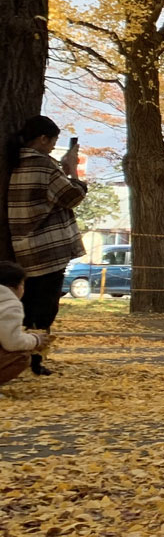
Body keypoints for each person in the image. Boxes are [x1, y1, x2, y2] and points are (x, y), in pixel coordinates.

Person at [7, 115, 86, 377]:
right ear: (42, 138)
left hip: (23, 246)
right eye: (53, 141)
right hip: (47, 248)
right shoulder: (43, 165)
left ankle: (21, 358)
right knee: (45, 308)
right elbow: (71, 195)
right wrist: (72, 169)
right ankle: (35, 360)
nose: (53, 146)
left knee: (26, 304)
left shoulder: (18, 161)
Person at [0, 261, 53, 389]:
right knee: (21, 356)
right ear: (15, 287)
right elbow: (12, 343)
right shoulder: (9, 304)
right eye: (23, 285)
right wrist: (36, 340)